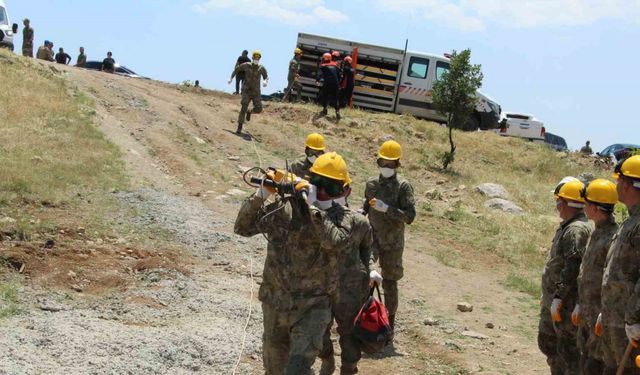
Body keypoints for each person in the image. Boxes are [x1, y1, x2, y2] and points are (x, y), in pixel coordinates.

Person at [234, 152, 356, 375]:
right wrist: (261, 195)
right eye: (318, 184)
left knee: (297, 370)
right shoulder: (286, 209)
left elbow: (334, 241)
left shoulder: (342, 218)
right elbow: (243, 228)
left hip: (312, 309)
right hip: (275, 304)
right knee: (274, 369)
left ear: (344, 191)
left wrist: (311, 206)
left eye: (331, 188)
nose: (322, 192)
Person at [316, 180, 375, 374]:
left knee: (349, 332)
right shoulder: (314, 217)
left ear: (348, 191)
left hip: (350, 288)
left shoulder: (359, 221)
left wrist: (368, 270)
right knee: (318, 327)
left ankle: (349, 368)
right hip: (319, 285)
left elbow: (367, 249)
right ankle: (327, 359)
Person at [538, 177, 592, 375]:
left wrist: (559, 297)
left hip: (566, 304)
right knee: (550, 345)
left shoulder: (576, 230)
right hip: (557, 300)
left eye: (559, 201)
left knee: (566, 353)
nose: (557, 205)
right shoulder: (569, 226)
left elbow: (573, 266)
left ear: (566, 203)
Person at [362, 140, 416, 336]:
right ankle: (362, 317)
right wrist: (362, 210)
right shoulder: (372, 184)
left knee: (390, 283)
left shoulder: (403, 186)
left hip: (393, 242)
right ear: (378, 161)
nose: (387, 167)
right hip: (372, 238)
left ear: (397, 164)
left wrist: (388, 209)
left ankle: (389, 325)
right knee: (362, 273)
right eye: (384, 162)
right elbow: (366, 203)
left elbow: (410, 216)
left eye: (391, 163)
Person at [572, 179, 618, 375]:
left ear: (596, 207)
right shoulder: (596, 232)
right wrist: (579, 303)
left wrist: (603, 312)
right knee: (585, 361)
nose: (583, 207)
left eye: (587, 203)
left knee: (594, 366)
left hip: (600, 315)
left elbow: (611, 278)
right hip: (587, 313)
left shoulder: (612, 236)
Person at [600, 155, 640, 374]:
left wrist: (635, 318)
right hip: (616, 317)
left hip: (628, 323)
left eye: (618, 180)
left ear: (626, 184)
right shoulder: (632, 220)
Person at [228, 50, 268, 135]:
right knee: (243, 108)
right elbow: (237, 69)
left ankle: (250, 112)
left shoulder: (261, 68)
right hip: (246, 91)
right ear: (252, 57)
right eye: (255, 57)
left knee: (259, 109)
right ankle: (239, 127)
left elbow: (266, 76)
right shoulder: (247, 65)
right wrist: (231, 78)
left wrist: (265, 81)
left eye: (258, 57)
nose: (256, 59)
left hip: (256, 92)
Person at [316, 53, 341, 121]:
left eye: (323, 58)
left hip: (328, 84)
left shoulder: (323, 65)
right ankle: (337, 111)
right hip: (336, 84)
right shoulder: (335, 65)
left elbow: (319, 74)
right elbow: (339, 75)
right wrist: (338, 84)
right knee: (335, 98)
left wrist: (317, 80)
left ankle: (325, 110)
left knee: (325, 96)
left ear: (324, 58)